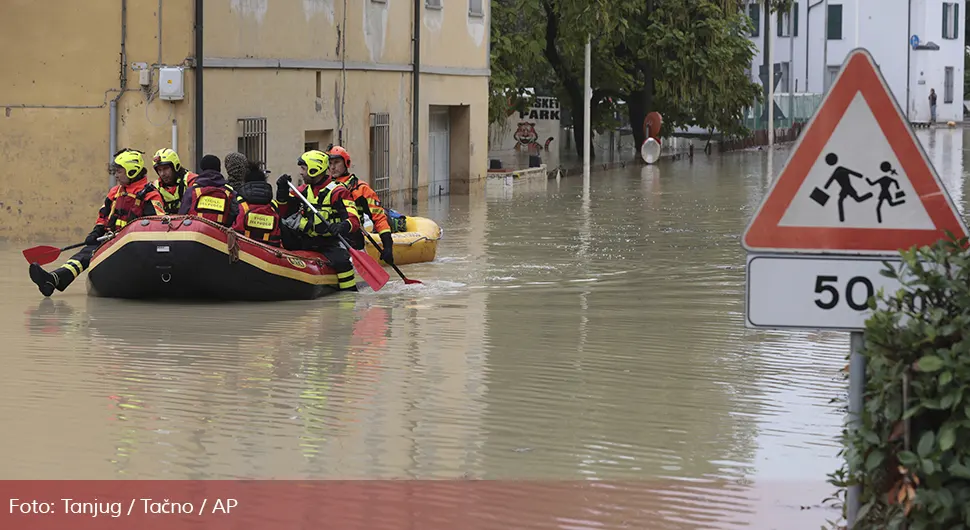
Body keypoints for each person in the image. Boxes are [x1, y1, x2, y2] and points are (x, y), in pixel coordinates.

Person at [29, 148, 166, 297]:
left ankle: (53, 280)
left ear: (131, 171)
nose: (116, 175)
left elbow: (156, 225)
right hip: (109, 239)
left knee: (90, 253)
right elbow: (103, 215)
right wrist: (96, 231)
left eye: (119, 171)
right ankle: (53, 279)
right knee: (85, 253)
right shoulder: (115, 192)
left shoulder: (150, 195)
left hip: (131, 246)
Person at [276, 149, 361, 291]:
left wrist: (341, 226)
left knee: (342, 262)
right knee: (282, 224)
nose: (301, 172)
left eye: (304, 168)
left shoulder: (338, 192)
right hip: (305, 239)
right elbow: (284, 212)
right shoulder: (302, 190)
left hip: (328, 242)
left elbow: (354, 221)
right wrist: (282, 192)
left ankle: (348, 296)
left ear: (314, 169)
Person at [327, 145, 395, 265]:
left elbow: (378, 218)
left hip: (352, 242)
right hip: (328, 241)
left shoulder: (361, 189)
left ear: (346, 163)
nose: (332, 167)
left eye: (336, 162)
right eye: (330, 163)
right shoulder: (322, 186)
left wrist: (388, 246)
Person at [179, 154, 240, 227]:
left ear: (202, 169)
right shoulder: (230, 192)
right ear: (219, 169)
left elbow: (181, 216)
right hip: (221, 236)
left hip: (196, 235)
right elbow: (236, 218)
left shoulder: (191, 191)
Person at [232, 161, 282, 247]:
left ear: (245, 182)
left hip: (242, 249)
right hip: (270, 252)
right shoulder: (273, 206)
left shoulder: (239, 202)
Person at [152, 148, 198, 214]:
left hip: (189, 222)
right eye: (159, 170)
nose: (162, 174)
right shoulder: (155, 187)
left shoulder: (191, 180)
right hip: (165, 223)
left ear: (175, 166)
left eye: (166, 168)